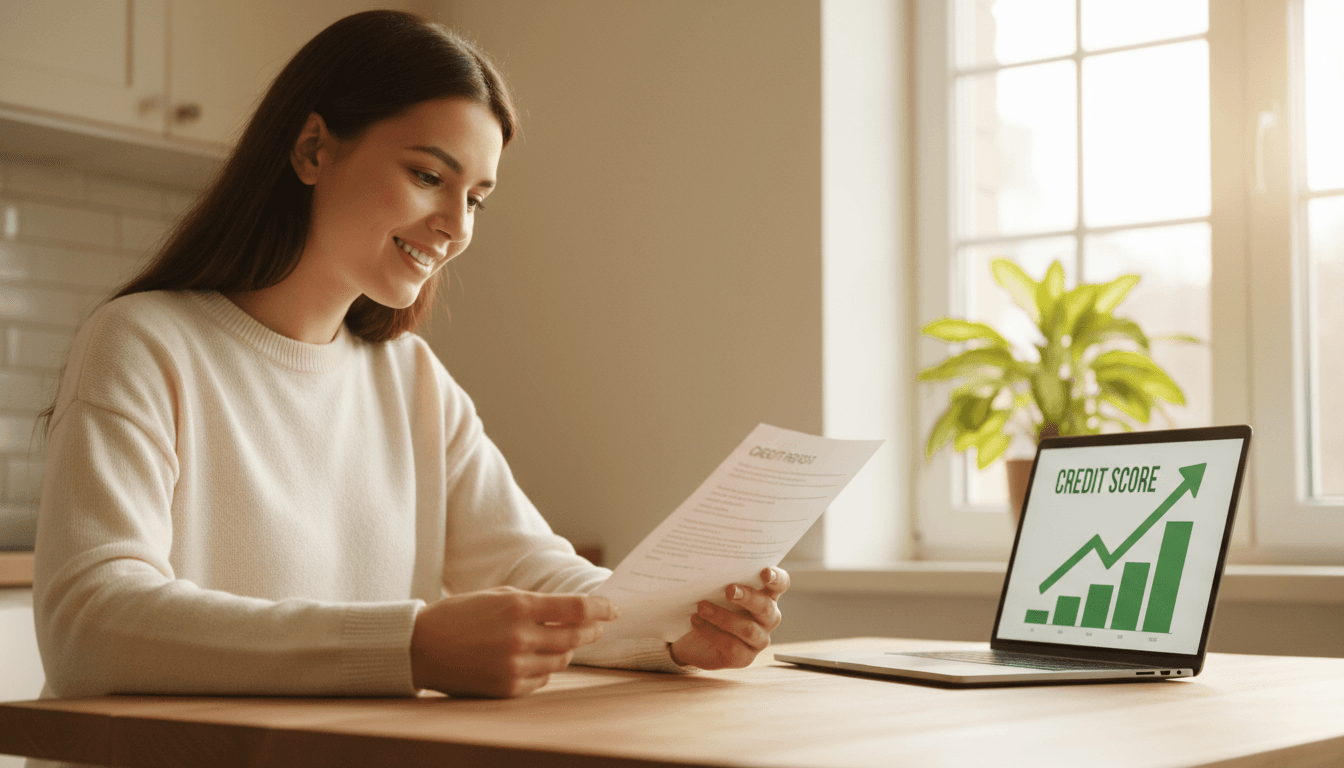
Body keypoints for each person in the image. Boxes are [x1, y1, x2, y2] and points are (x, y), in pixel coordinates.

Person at [31, 9, 789, 714]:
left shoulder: (411, 379)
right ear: (313, 149)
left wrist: (673, 628)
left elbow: (533, 573)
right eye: (429, 176)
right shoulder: (142, 342)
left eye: (477, 198)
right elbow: (90, 621)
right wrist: (410, 646)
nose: (455, 226)